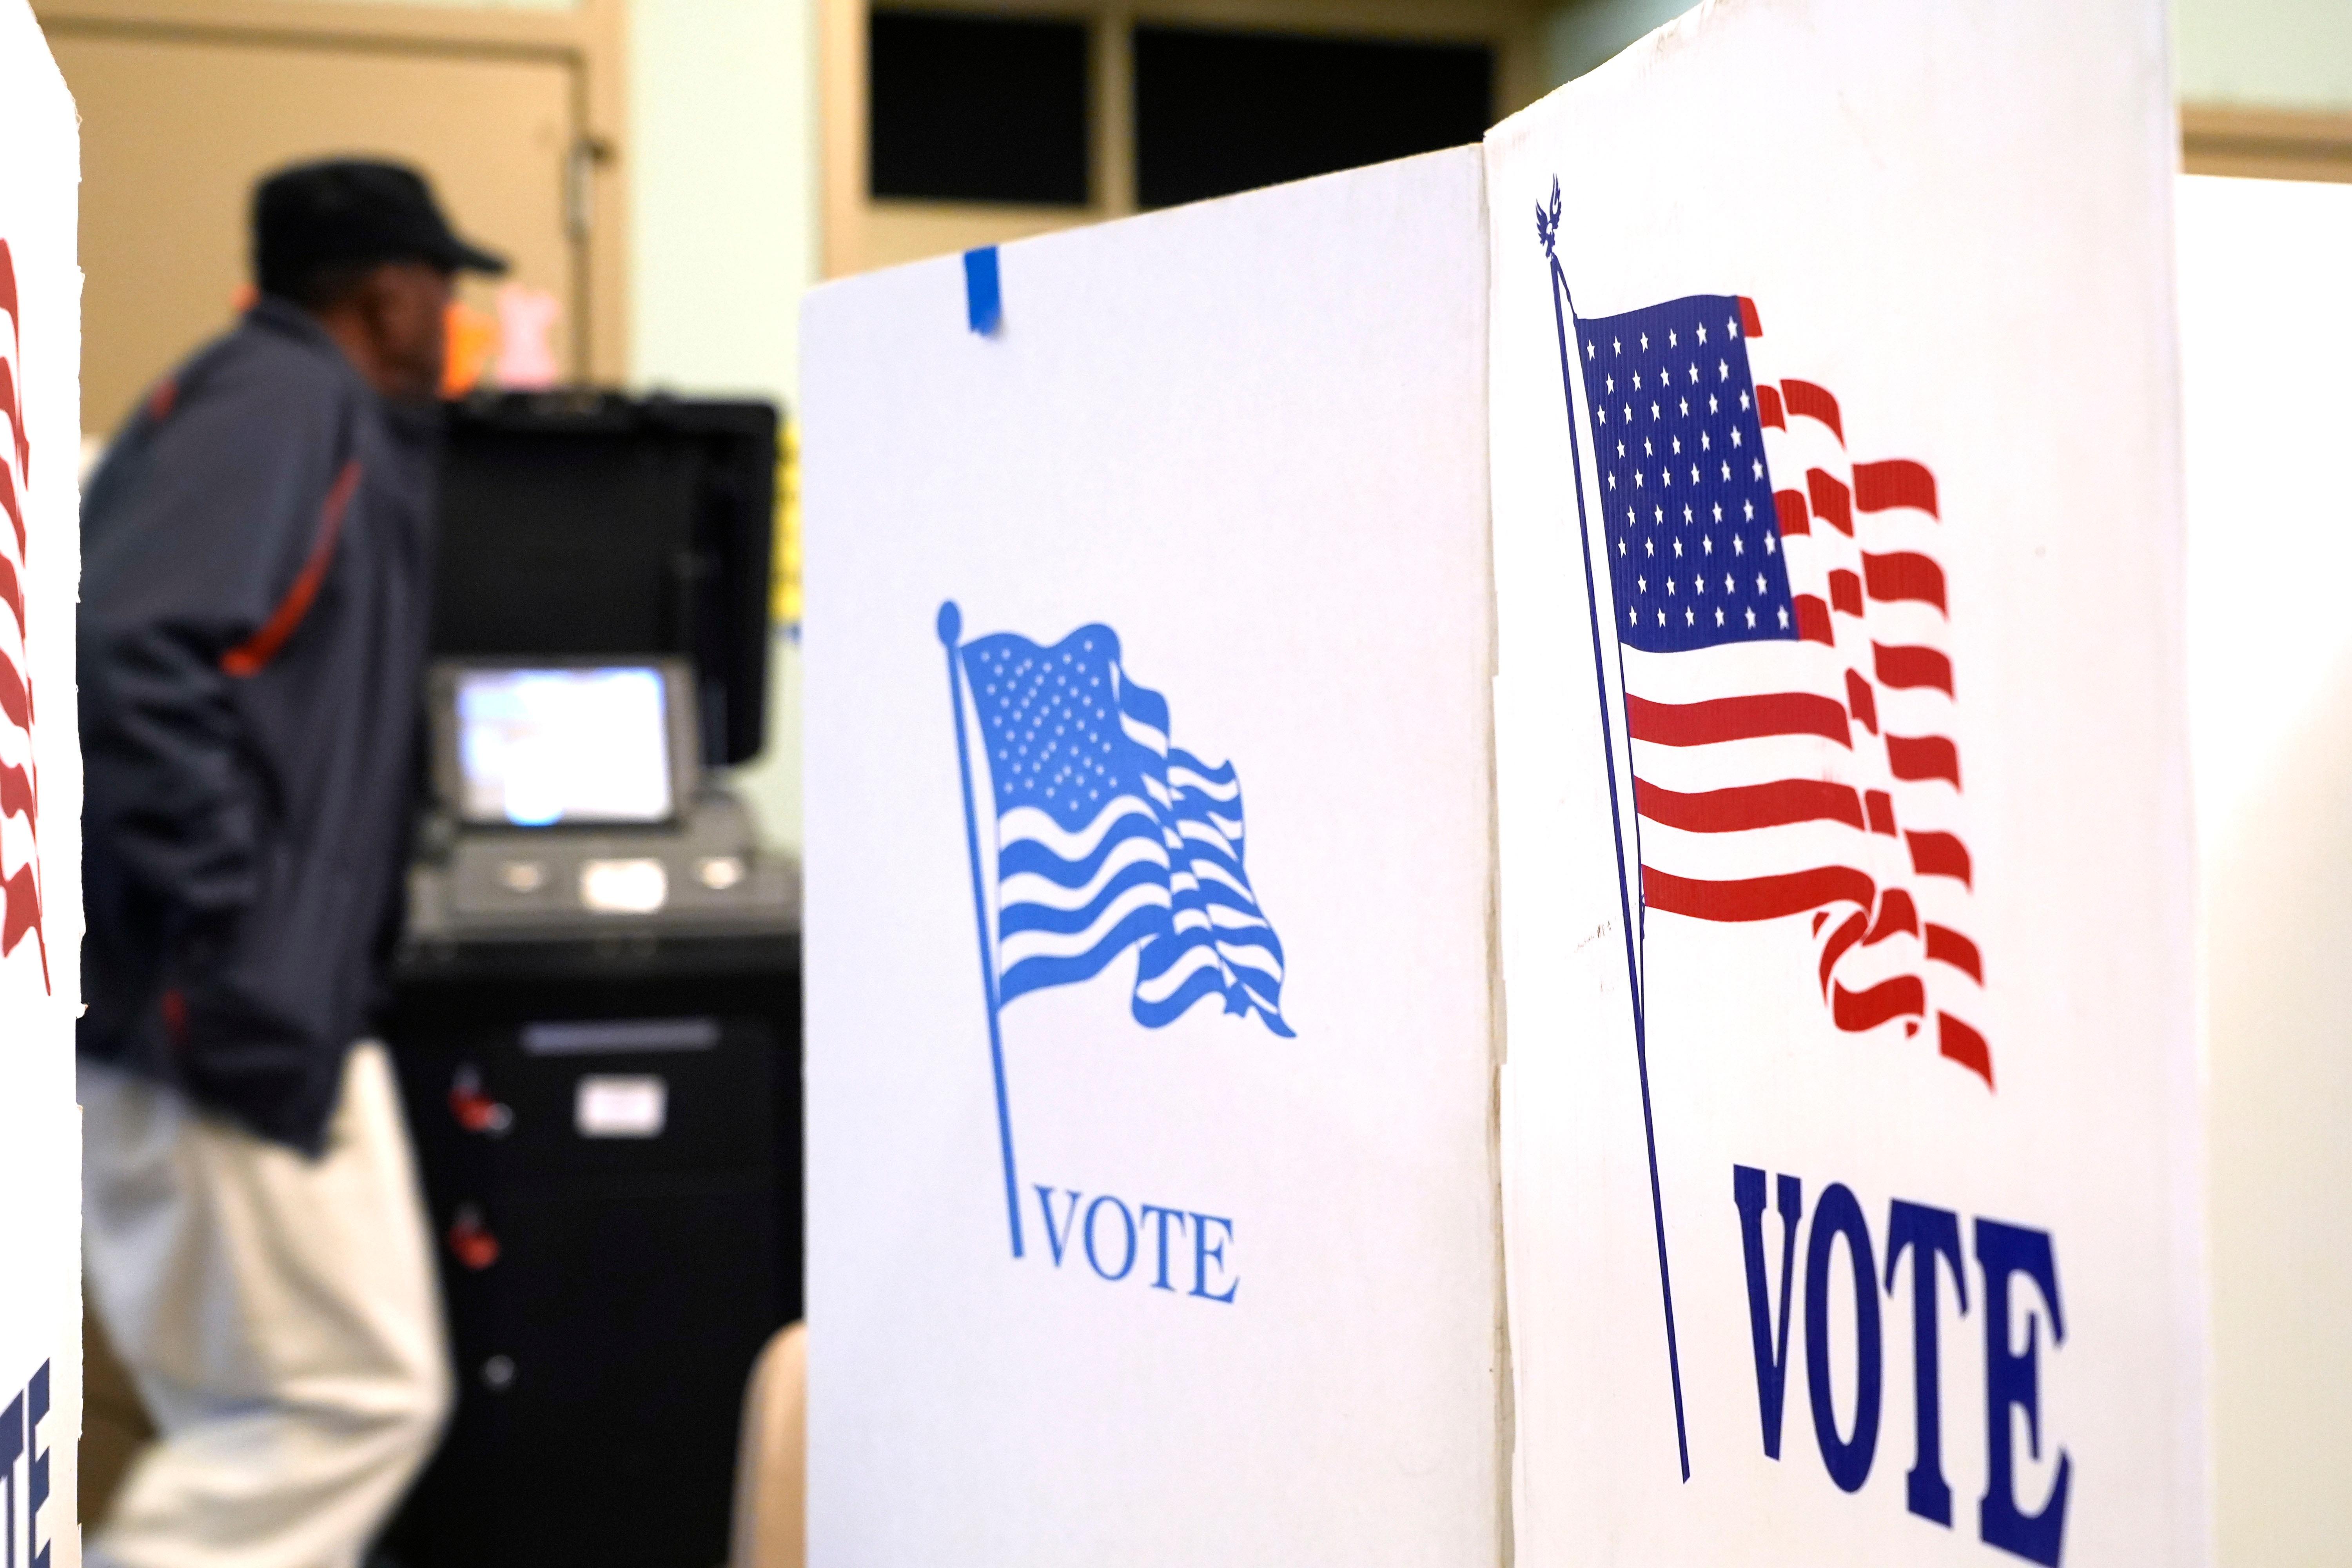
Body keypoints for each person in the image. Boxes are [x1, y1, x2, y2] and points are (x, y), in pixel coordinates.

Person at [76, 160, 506, 1568]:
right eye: (444, 288)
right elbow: (131, 655)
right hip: (224, 1010)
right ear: (391, 292)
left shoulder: (285, 406)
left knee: (282, 1414)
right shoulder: (281, 404)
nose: (452, 317)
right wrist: (241, 923)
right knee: (343, 1406)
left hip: (257, 1003)